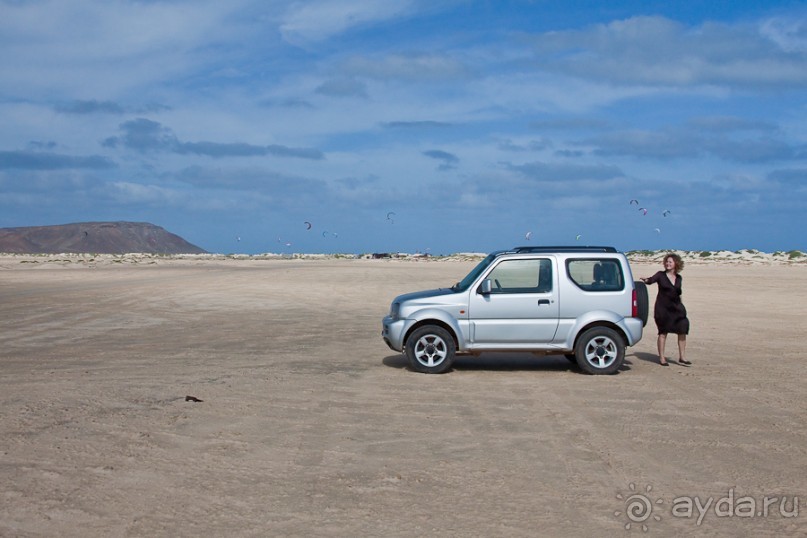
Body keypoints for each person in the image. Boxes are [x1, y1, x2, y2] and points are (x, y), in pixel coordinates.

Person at [641, 253, 691, 367]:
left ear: (676, 264)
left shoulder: (679, 278)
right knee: (663, 332)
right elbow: (651, 280)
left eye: (670, 262)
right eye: (667, 262)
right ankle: (662, 358)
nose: (668, 264)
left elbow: (679, 293)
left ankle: (682, 357)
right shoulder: (660, 275)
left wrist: (681, 307)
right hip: (663, 309)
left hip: (677, 308)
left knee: (683, 329)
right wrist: (646, 280)